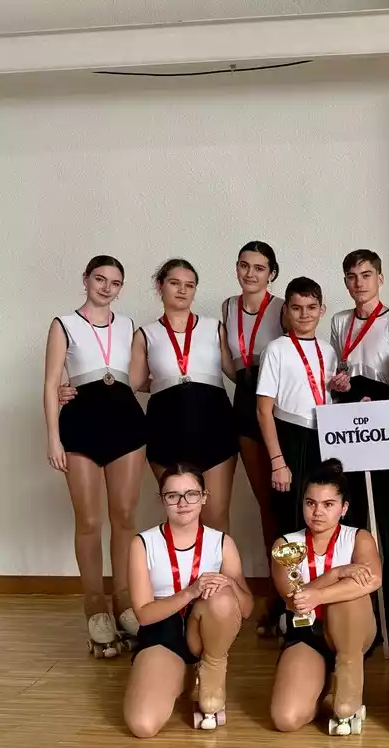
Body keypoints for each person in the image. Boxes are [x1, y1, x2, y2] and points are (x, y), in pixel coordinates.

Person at [44, 255, 147, 657]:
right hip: (81, 425)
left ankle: (124, 601)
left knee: (124, 517)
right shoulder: (64, 324)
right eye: (100, 279)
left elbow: (137, 376)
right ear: (85, 279)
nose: (106, 287)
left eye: (115, 282)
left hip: (126, 424)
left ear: (121, 288)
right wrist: (54, 439)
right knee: (89, 520)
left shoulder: (128, 325)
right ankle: (94, 607)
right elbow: (51, 384)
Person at [123, 464, 252, 738]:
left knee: (221, 597)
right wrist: (190, 592)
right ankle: (186, 675)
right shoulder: (142, 543)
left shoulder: (222, 542)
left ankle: (211, 670)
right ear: (161, 499)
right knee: (143, 725)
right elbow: (144, 615)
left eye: (191, 494)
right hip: (162, 633)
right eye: (173, 496)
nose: (183, 503)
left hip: (205, 632)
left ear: (204, 497)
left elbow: (248, 608)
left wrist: (229, 583)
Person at [328, 249, 389, 635]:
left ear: (380, 278)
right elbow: (337, 371)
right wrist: (339, 383)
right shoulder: (339, 321)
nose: (358, 282)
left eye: (366, 275)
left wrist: (375, 399)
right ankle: (354, 606)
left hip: (383, 424)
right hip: (348, 424)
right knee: (352, 515)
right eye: (351, 276)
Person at [269, 460, 380, 735]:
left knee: (351, 596)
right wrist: (336, 573)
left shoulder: (359, 538)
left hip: (352, 632)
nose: (318, 512)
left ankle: (347, 700)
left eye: (328, 504)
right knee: (286, 719)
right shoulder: (286, 544)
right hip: (307, 632)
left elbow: (373, 580)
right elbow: (293, 600)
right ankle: (324, 687)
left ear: (344, 508)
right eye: (311, 503)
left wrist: (319, 594)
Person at [133, 259, 238, 531]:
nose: (182, 290)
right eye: (174, 283)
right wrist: (74, 388)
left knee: (215, 515)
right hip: (166, 427)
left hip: (214, 423)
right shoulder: (146, 334)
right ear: (160, 286)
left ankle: (221, 563)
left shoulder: (215, 328)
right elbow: (131, 382)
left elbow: (236, 373)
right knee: (181, 516)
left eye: (189, 285)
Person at [221, 241, 285, 632]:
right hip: (245, 402)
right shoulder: (228, 307)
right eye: (244, 265)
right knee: (265, 505)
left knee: (285, 503)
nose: (250, 273)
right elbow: (229, 363)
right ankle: (276, 596)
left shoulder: (283, 309)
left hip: (277, 407)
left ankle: (292, 595)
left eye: (259, 268)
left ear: (271, 274)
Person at [256, 277, 338, 537]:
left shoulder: (329, 351)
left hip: (324, 438)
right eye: (296, 308)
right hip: (290, 438)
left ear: (322, 310)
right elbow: (263, 410)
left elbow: (328, 397)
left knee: (324, 510)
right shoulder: (276, 349)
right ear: (286, 310)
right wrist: (278, 462)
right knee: (291, 513)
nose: (304, 314)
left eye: (311, 307)